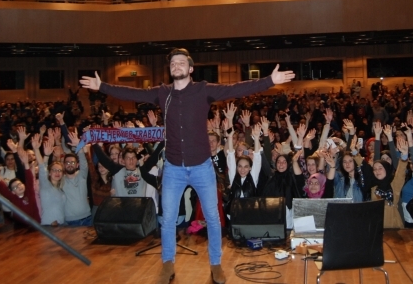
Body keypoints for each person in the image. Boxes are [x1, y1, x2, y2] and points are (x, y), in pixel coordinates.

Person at [80, 47, 294, 284]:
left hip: (202, 167)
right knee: (168, 219)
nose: (176, 66)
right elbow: (133, 93)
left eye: (181, 62)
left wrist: (269, 81)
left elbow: (234, 88)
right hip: (173, 169)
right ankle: (167, 264)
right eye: (173, 63)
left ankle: (215, 264)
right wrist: (102, 86)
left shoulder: (203, 90)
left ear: (190, 69)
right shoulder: (163, 93)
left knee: (213, 218)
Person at [31, 134, 65, 226]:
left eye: (60, 170)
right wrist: (38, 150)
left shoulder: (61, 189)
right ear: (49, 173)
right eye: (54, 170)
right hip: (48, 225)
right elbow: (42, 167)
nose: (57, 172)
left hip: (62, 224)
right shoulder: (45, 185)